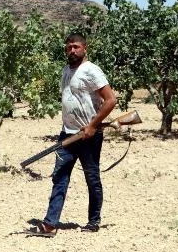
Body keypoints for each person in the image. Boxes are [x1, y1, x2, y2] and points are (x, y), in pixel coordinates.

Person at [26, 32, 116, 237]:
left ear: (85, 48)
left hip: (89, 136)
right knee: (60, 177)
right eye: (69, 47)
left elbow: (110, 100)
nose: (72, 50)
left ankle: (94, 221)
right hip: (68, 135)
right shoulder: (66, 70)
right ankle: (50, 224)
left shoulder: (92, 71)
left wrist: (93, 125)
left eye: (76, 47)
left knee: (92, 178)